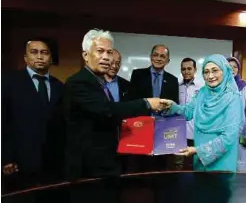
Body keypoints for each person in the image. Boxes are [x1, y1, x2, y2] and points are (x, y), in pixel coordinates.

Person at [63, 29, 163, 180]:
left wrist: (143, 142)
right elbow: (107, 110)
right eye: (100, 51)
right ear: (85, 55)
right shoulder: (78, 82)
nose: (106, 57)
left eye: (109, 52)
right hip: (89, 168)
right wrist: (146, 103)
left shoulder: (98, 81)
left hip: (108, 161)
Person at [160, 54, 243, 172]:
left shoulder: (233, 98)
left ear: (224, 71)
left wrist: (198, 151)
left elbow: (229, 137)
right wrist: (172, 106)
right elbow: (188, 112)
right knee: (200, 188)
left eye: (215, 71)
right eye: (206, 72)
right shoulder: (202, 92)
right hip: (199, 158)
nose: (210, 76)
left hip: (222, 161)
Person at [2, 37, 64, 190]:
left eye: (44, 53)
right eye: (34, 52)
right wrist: (5, 158)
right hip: (19, 163)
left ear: (51, 58)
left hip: (53, 165)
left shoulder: (60, 86)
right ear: (25, 57)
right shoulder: (8, 82)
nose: (40, 57)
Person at [129, 44, 179, 172]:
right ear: (151, 57)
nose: (158, 58)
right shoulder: (137, 75)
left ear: (168, 60)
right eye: (155, 55)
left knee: (160, 167)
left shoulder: (173, 80)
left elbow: (175, 106)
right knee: (139, 166)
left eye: (163, 56)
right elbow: (131, 101)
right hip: (141, 128)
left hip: (162, 130)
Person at [227, 57, 246, 173]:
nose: (232, 69)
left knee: (240, 168)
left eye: (235, 66)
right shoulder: (219, 88)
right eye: (229, 66)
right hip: (224, 135)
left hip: (240, 135)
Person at [177, 58, 203, 170]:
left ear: (195, 70)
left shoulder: (202, 88)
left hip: (196, 133)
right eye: (183, 69)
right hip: (179, 133)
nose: (186, 71)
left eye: (189, 68)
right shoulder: (176, 86)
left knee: (193, 165)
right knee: (178, 163)